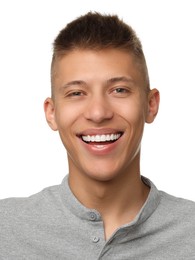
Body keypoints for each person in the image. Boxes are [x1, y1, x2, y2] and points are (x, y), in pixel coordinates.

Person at [0, 12, 194, 259]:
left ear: (150, 104)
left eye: (119, 90)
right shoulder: (5, 231)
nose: (98, 112)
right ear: (52, 113)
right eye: (76, 93)